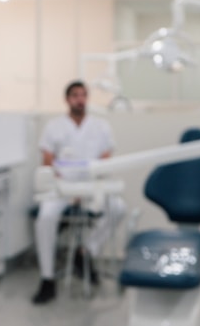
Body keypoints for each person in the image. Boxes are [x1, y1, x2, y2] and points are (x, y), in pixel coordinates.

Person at [32, 80, 125, 304]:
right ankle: (47, 278)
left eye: (83, 95)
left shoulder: (100, 126)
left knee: (118, 208)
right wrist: (66, 186)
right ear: (67, 99)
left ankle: (85, 253)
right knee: (45, 217)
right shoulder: (54, 126)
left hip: (92, 187)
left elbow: (105, 158)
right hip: (61, 187)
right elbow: (47, 160)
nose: (80, 99)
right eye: (75, 95)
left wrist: (88, 186)